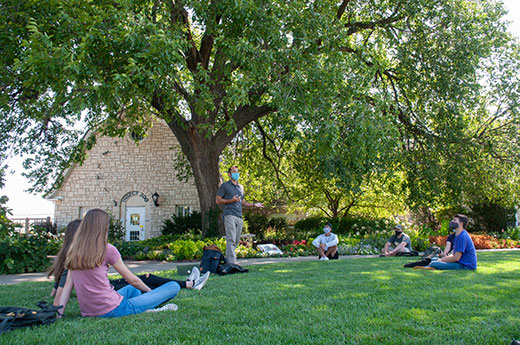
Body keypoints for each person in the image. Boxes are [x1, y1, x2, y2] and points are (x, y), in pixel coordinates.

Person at [56, 209, 209, 318]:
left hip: (89, 311)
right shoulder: (107, 249)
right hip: (113, 309)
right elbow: (133, 279)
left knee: (130, 290)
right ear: (103, 228)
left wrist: (59, 314)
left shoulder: (74, 251)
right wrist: (152, 294)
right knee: (173, 286)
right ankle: (146, 308)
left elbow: (68, 286)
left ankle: (144, 307)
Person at [216, 165, 263, 264]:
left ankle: (229, 258)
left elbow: (243, 202)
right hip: (229, 215)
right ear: (229, 174)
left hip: (239, 216)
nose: (236, 174)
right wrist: (231, 200)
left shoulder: (240, 187)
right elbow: (218, 200)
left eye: (237, 172)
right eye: (234, 172)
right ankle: (232, 262)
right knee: (231, 239)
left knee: (236, 240)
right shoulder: (225, 186)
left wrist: (254, 204)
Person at [48, 219, 81, 306]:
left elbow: (60, 274)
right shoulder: (74, 254)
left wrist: (53, 291)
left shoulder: (66, 251)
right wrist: (56, 304)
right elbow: (64, 279)